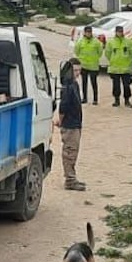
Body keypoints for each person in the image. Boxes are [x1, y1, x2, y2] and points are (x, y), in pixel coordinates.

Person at [53, 58, 86, 191]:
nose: (77, 73)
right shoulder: (68, 87)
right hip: (70, 125)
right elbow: (63, 107)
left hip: (75, 123)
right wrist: (61, 121)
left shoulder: (74, 85)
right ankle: (70, 180)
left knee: (73, 151)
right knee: (70, 152)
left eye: (79, 70)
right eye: (75, 70)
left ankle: (72, 178)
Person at [104, 25, 132, 107]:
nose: (120, 33)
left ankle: (127, 101)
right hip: (115, 68)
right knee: (116, 86)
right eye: (118, 32)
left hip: (126, 68)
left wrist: (128, 60)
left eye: (121, 31)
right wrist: (113, 60)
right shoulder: (111, 42)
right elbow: (107, 53)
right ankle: (116, 100)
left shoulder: (128, 42)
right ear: (115, 32)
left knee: (126, 86)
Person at [73, 26, 103, 104]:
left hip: (93, 66)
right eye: (87, 32)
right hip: (84, 66)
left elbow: (100, 52)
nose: (88, 33)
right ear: (84, 32)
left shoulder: (96, 42)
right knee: (84, 82)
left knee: (94, 83)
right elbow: (76, 51)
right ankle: (85, 98)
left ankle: (95, 99)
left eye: (90, 32)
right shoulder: (80, 41)